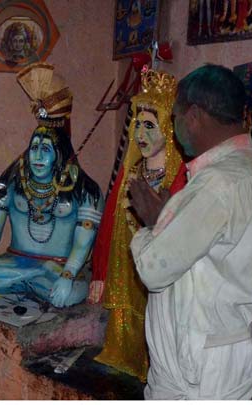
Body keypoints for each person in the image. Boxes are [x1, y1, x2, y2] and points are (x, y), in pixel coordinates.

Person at [128, 64, 252, 399]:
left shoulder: (216, 183)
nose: (174, 127)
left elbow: (154, 270)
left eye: (175, 117)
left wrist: (154, 222)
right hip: (224, 351)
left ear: (194, 116)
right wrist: (171, 216)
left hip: (202, 362)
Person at [0, 62, 104, 308]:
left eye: (46, 150)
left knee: (72, 293)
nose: (37, 157)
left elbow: (83, 243)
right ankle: (34, 279)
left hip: (61, 267)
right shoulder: (13, 180)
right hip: (17, 262)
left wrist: (66, 276)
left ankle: (35, 282)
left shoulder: (86, 190)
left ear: (59, 155)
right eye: (34, 148)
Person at [90, 69, 186, 382]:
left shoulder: (179, 178)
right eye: (136, 125)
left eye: (149, 126)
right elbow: (108, 223)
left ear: (169, 131)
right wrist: (100, 272)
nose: (140, 135)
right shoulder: (131, 172)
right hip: (126, 267)